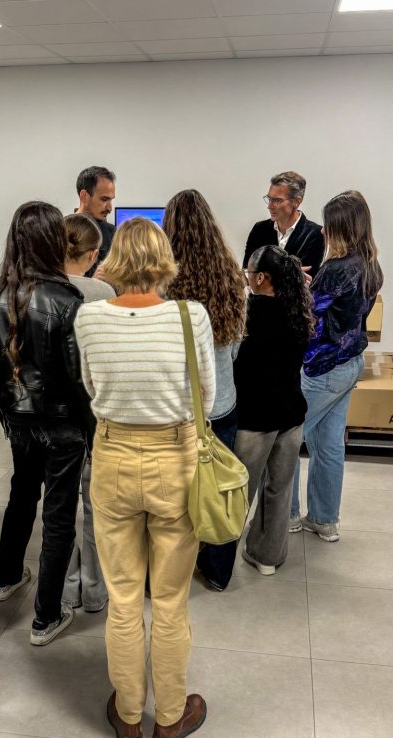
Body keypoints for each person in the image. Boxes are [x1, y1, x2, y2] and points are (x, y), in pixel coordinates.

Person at [75, 217, 215, 738]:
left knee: (124, 596)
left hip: (112, 456)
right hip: (175, 459)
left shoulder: (89, 319)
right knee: (172, 599)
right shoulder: (190, 316)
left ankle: (129, 715)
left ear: (114, 262)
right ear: (161, 260)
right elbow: (208, 388)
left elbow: (92, 386)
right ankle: (171, 717)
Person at [0, 201, 95, 646]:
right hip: (62, 426)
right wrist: (86, 427)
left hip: (19, 422)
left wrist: (10, 415)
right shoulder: (66, 299)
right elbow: (76, 378)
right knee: (59, 515)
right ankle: (46, 616)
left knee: (22, 494)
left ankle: (6, 576)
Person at [163, 189, 246, 591]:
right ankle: (218, 570)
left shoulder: (163, 283)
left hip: (176, 407)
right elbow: (234, 345)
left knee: (175, 493)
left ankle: (175, 567)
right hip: (222, 401)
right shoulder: (231, 276)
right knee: (219, 486)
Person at [290, 191, 383, 542]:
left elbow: (308, 317)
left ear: (342, 228)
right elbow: (341, 310)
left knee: (287, 440)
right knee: (328, 445)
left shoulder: (335, 268)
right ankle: (325, 520)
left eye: (329, 225)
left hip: (322, 368)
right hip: (350, 362)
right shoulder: (369, 264)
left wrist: (296, 286)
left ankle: (288, 516)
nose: (323, 232)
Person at [233, 246, 314, 575]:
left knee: (237, 495)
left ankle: (219, 560)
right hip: (291, 417)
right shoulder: (297, 310)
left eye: (249, 275)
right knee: (278, 490)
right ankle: (268, 557)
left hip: (254, 420)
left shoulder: (249, 313)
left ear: (261, 277)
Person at [62, 213, 114, 613]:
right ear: (95, 254)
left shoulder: (38, 290)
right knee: (96, 506)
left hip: (54, 416)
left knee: (59, 510)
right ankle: (95, 590)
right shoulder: (103, 292)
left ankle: (66, 587)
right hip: (96, 413)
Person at [243, 171, 325, 278]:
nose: (269, 206)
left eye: (277, 200)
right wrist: (288, 273)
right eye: (269, 199)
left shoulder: (316, 234)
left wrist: (264, 275)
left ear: (296, 201)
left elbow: (306, 280)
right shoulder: (259, 229)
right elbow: (247, 272)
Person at [75, 166, 116, 275]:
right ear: (84, 196)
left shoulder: (112, 233)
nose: (110, 208)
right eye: (104, 199)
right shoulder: (61, 231)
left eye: (111, 200)